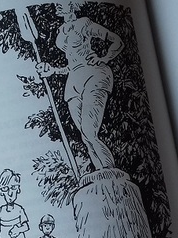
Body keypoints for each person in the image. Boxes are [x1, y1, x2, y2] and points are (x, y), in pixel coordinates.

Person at [36, 1, 124, 171]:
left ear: (72, 4)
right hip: (74, 81)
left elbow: (117, 41)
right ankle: (101, 173)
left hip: (94, 74)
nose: (57, 5)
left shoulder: (83, 24)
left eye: (62, 2)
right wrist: (52, 71)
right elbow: (71, 66)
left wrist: (104, 58)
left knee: (90, 132)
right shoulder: (61, 31)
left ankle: (111, 171)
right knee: (85, 136)